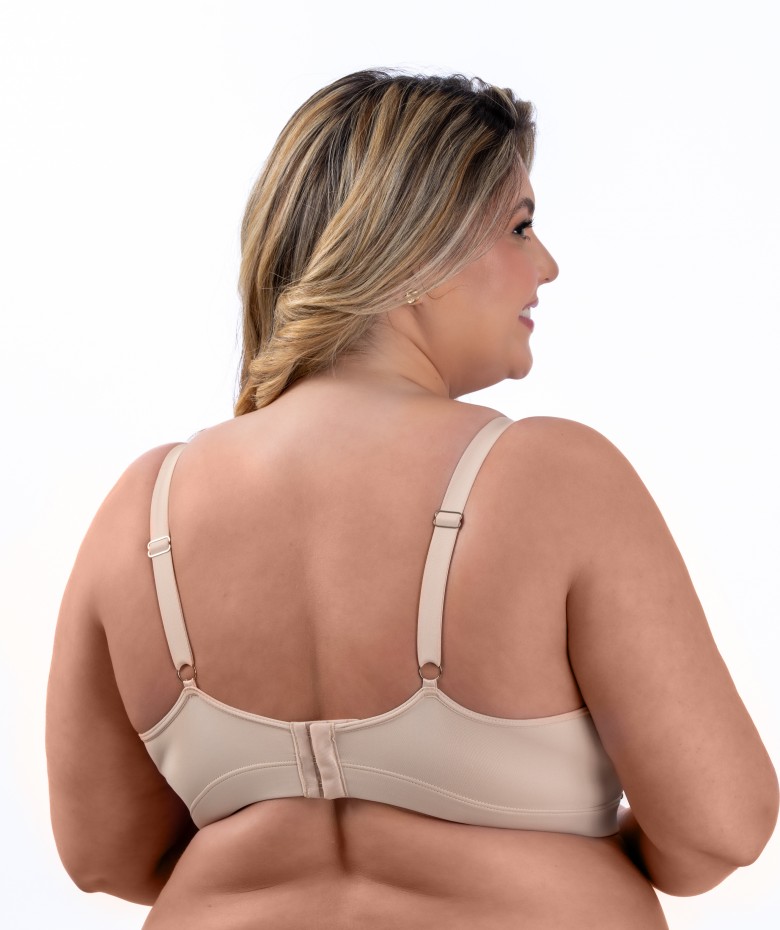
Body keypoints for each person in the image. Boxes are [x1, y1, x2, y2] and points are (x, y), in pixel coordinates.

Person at [46, 69, 777, 930]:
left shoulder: (141, 511)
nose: (546, 264)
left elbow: (105, 855)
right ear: (420, 253)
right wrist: (553, 859)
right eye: (520, 226)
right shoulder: (552, 479)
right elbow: (720, 827)